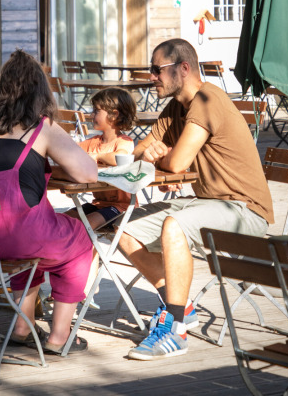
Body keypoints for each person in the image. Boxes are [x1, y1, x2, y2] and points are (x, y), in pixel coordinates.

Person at [117, 38, 274, 361]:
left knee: (175, 225)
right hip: (209, 204)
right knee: (125, 229)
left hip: (244, 209)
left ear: (183, 68)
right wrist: (154, 153)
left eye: (156, 69)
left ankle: (174, 329)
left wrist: (159, 157)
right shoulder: (176, 107)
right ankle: (182, 306)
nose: (151, 76)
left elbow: (175, 164)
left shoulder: (207, 99)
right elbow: (137, 151)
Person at [0, 49, 98, 355]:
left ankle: (22, 327)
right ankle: (59, 335)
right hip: (13, 240)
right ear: (41, 90)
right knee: (79, 239)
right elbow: (88, 172)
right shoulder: (41, 127)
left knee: (34, 243)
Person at [76, 87, 137, 229]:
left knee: (85, 226)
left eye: (96, 111)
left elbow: (121, 157)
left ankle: (87, 251)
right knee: (64, 221)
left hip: (122, 208)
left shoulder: (123, 141)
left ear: (114, 114)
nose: (91, 114)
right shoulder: (93, 142)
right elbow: (71, 152)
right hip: (97, 205)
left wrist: (97, 156)